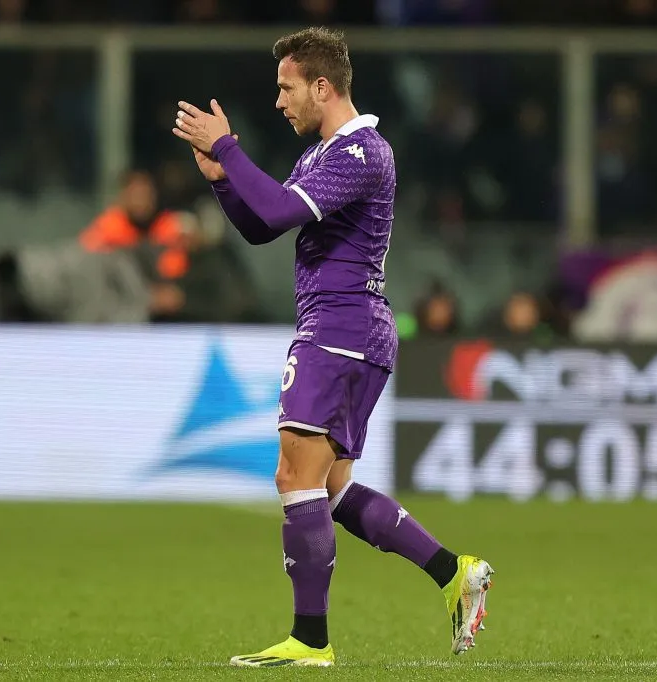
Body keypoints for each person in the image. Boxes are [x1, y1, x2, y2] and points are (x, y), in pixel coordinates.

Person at [172, 27, 493, 667]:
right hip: (345, 330)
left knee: (295, 477)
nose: (279, 101)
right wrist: (223, 180)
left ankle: (310, 640)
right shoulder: (320, 156)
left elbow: (278, 211)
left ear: (322, 86)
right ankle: (454, 572)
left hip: (340, 329)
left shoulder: (362, 152)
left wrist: (229, 147)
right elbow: (262, 225)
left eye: (286, 87)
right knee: (333, 487)